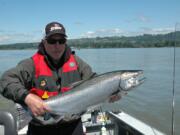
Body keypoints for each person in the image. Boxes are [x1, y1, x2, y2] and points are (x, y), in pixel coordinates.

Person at [0, 21, 121, 135]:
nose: (57, 45)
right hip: (40, 129)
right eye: (52, 41)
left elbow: (95, 81)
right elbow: (6, 81)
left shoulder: (77, 63)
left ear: (65, 42)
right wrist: (27, 97)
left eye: (61, 40)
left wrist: (109, 93)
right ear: (44, 42)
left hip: (73, 126)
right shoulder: (31, 64)